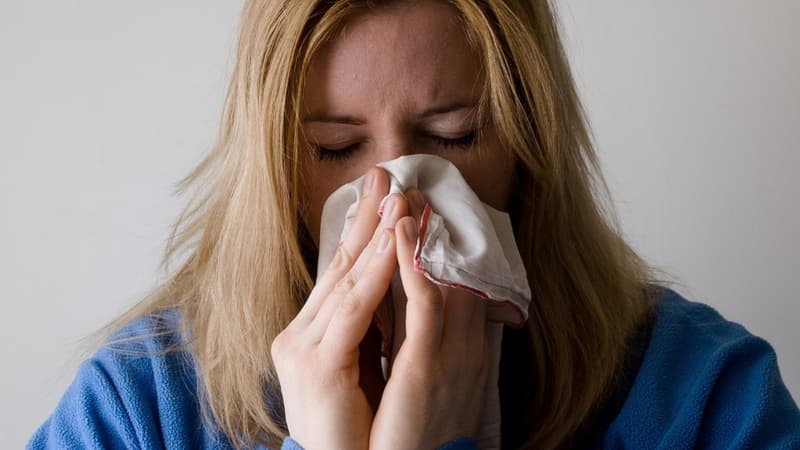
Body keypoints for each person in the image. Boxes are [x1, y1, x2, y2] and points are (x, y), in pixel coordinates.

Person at [28, 0, 800, 449]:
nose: (393, 204)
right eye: (335, 147)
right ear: (271, 165)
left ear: (531, 144)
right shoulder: (138, 411)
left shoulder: (704, 397)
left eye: (455, 136)